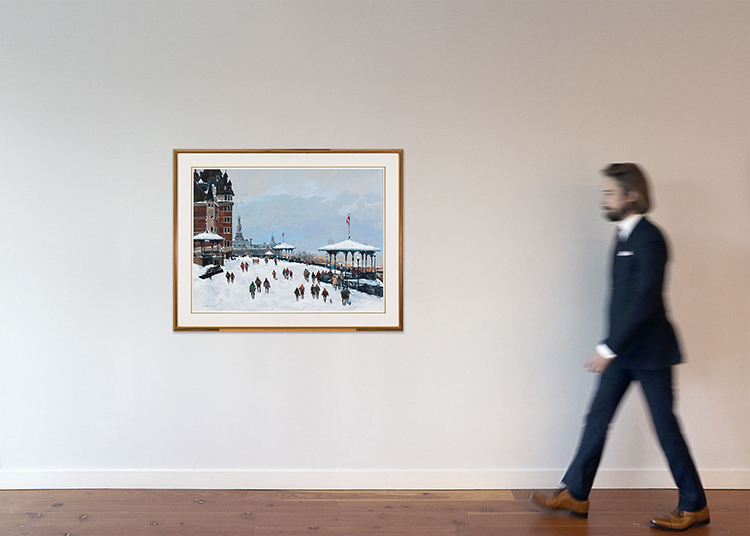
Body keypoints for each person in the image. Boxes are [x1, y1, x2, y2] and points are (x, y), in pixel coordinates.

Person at [530, 163, 708, 532]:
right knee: (597, 419)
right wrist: (612, 347)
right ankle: (576, 493)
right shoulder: (623, 236)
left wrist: (608, 347)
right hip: (624, 352)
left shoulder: (650, 238)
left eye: (609, 193)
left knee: (665, 429)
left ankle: (695, 505)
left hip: (650, 354)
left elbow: (645, 299)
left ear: (631, 195)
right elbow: (625, 300)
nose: (604, 199)